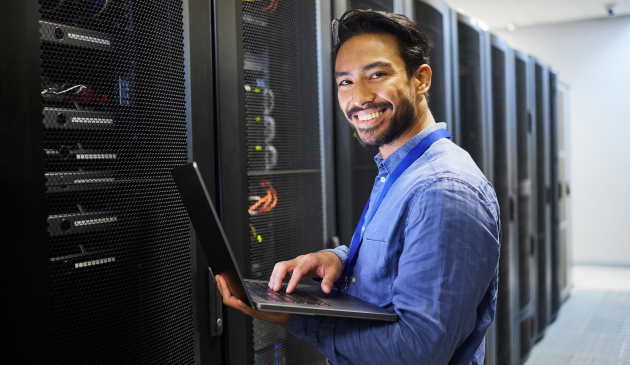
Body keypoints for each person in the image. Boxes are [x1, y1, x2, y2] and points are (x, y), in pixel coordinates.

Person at [215, 9, 500, 365]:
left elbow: (418, 352)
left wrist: (297, 318)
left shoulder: (444, 191)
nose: (359, 97)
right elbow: (401, 255)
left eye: (376, 74)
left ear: (421, 79)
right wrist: (338, 258)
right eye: (345, 82)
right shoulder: (400, 171)